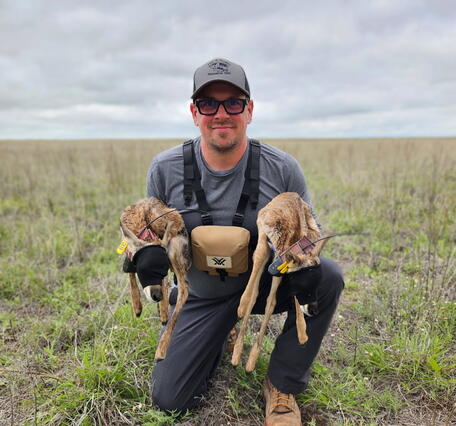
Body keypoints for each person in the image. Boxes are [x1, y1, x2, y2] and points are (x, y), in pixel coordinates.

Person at [143, 58, 344, 426]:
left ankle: (282, 382)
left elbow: (309, 236)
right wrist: (146, 257)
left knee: (327, 276)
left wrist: (303, 263)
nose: (222, 114)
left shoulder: (282, 169)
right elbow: (150, 234)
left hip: (267, 284)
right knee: (170, 399)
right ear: (194, 112)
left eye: (233, 103)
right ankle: (210, 326)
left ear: (249, 110)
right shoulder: (165, 169)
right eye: (209, 104)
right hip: (203, 294)